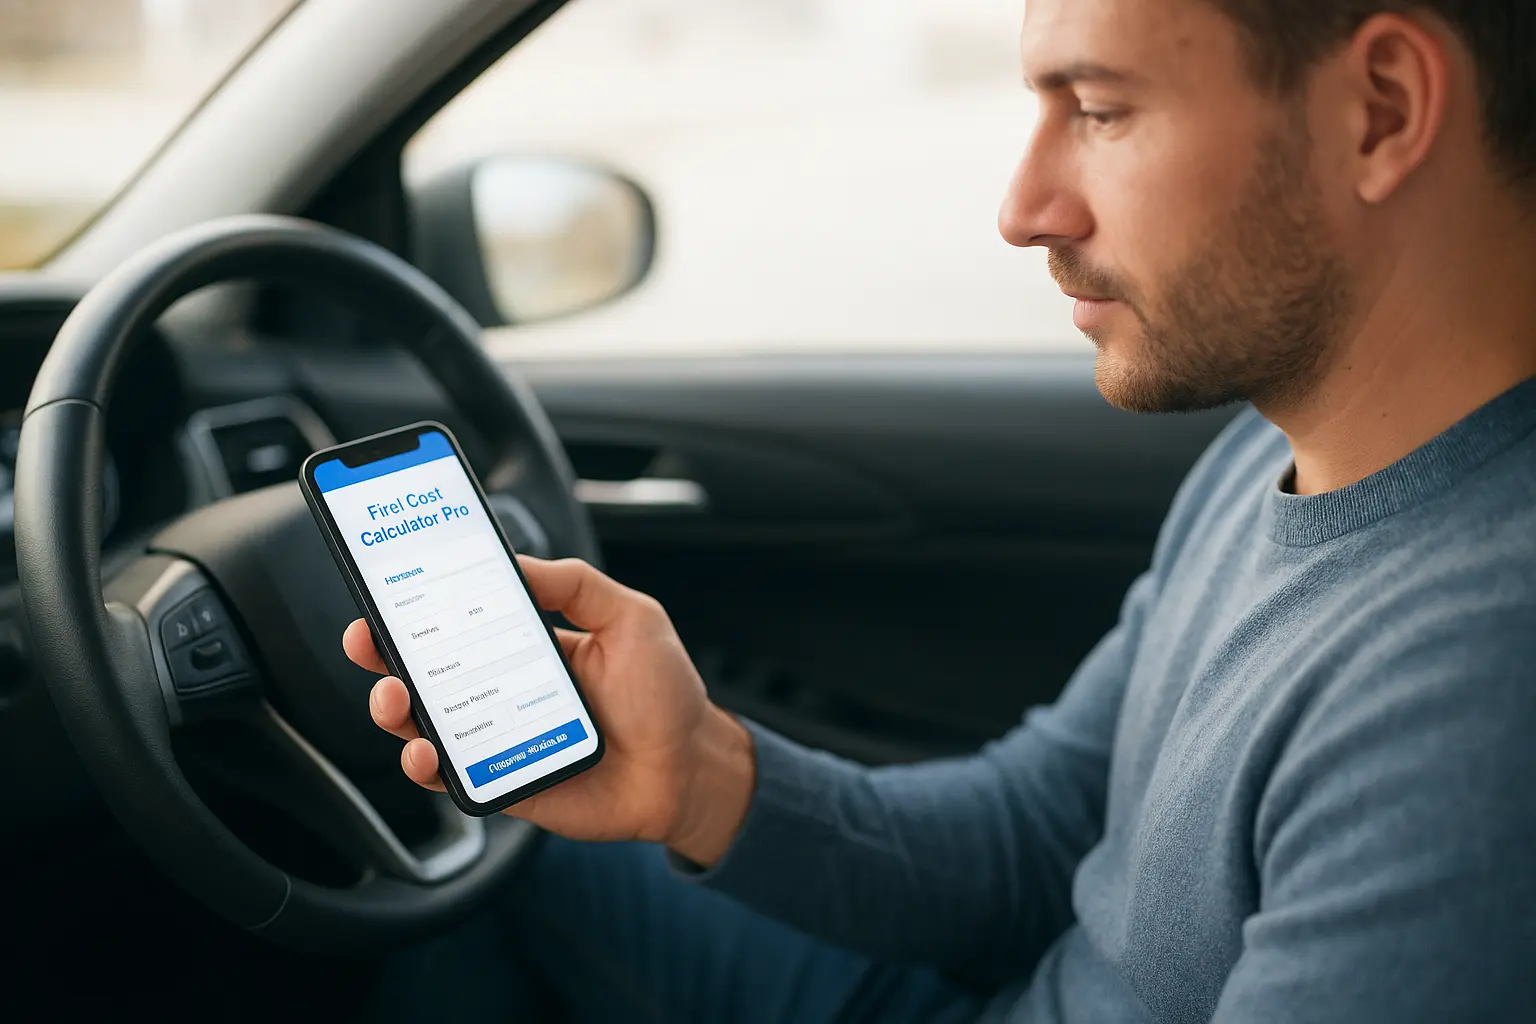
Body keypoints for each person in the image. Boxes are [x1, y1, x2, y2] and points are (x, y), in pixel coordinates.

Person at [348, 0, 1536, 1019]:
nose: (1024, 207)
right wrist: (700, 772)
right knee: (465, 853)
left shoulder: (1479, 706)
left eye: (1103, 111)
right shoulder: (1273, 452)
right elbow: (1033, 839)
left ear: (1378, 108)